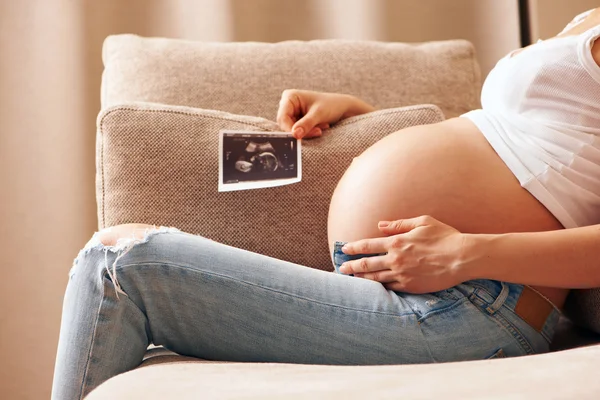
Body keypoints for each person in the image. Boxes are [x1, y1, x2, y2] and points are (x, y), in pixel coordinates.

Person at [52, 8, 600, 399]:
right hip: (438, 295)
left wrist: (466, 254)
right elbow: (535, 146)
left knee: (120, 267)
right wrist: (366, 117)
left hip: (472, 308)